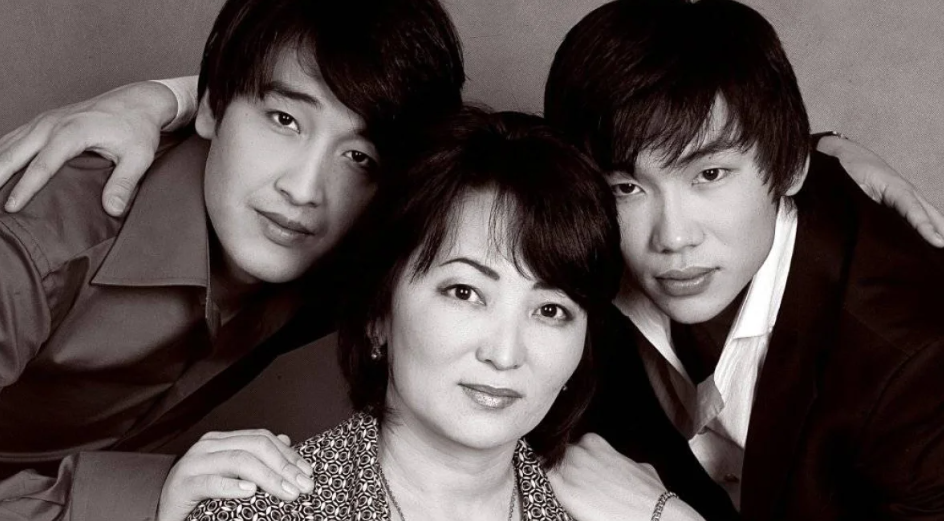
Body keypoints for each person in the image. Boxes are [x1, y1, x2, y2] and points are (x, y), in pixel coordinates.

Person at [0, 0, 464, 520]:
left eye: (359, 157)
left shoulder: (344, 254)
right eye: (285, 120)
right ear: (213, 105)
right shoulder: (34, 247)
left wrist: (163, 97)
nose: (304, 190)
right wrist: (152, 499)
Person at [182, 106, 701, 521]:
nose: (504, 353)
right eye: (465, 292)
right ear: (379, 314)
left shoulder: (616, 515)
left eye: (550, 310)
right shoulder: (259, 512)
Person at [541, 0, 944, 519]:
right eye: (626, 188)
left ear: (791, 166)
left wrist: (664, 515)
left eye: (709, 175)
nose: (674, 237)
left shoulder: (915, 361)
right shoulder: (584, 252)